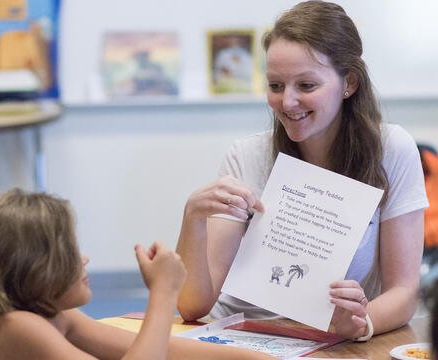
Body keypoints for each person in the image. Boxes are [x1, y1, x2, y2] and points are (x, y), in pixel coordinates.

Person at [176, 0, 428, 342]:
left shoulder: (392, 149)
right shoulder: (247, 155)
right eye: (275, 86)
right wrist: (192, 220)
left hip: (331, 341)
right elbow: (192, 308)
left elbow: (404, 292)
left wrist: (360, 322)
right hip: (240, 338)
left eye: (306, 86)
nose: (287, 102)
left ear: (349, 83)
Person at [0, 188, 275, 360]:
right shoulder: (15, 326)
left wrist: (256, 358)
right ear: (30, 269)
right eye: (70, 253)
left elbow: (166, 350)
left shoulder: (58, 317)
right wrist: (163, 293)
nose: (84, 259)